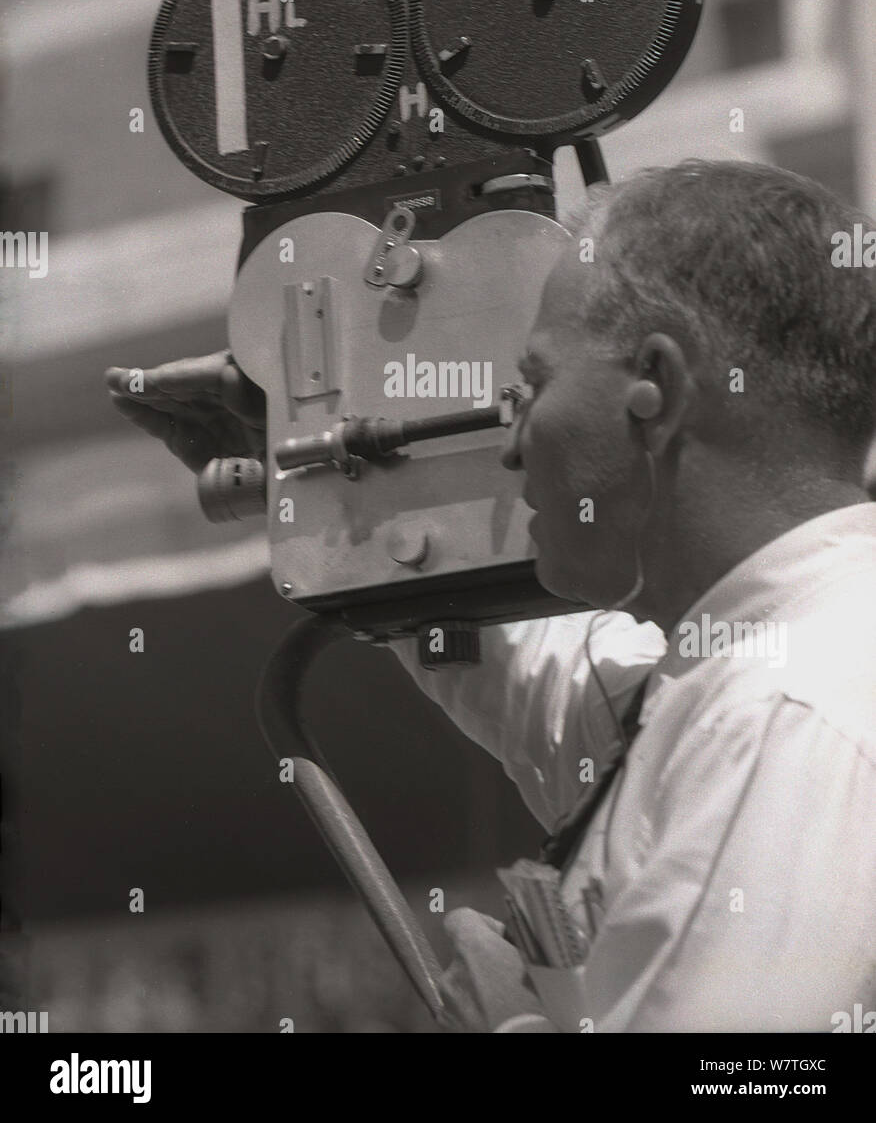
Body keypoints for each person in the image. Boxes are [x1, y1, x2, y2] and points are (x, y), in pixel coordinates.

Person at [107, 158, 876, 1033]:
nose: (511, 445)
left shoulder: (780, 713)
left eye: (533, 386)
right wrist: (324, 466)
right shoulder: (744, 676)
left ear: (656, 390)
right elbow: (521, 675)